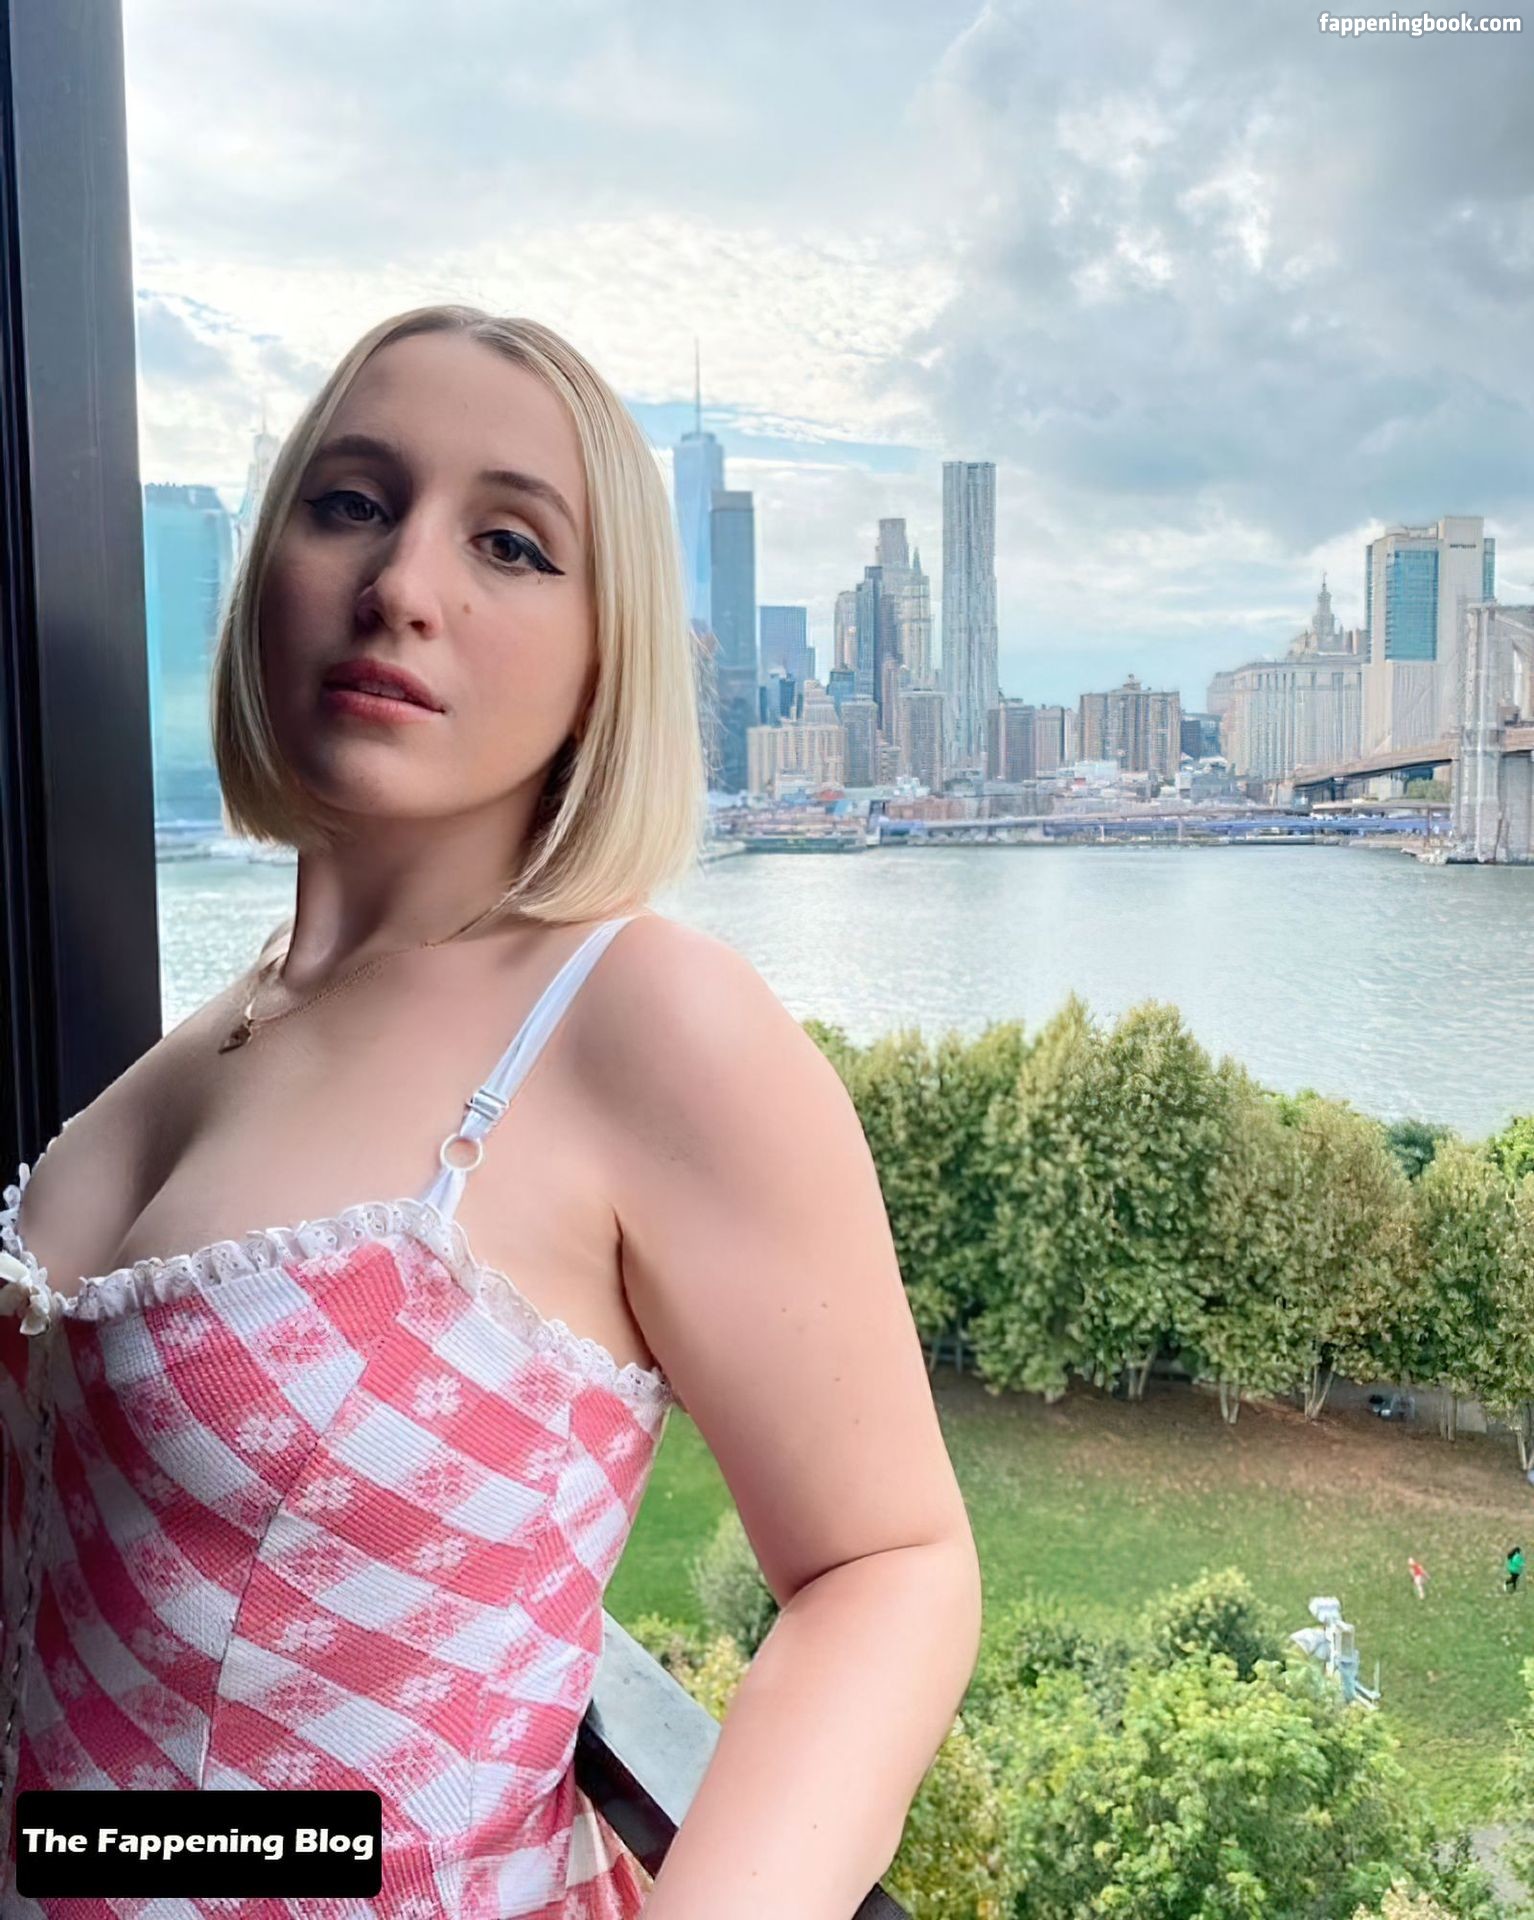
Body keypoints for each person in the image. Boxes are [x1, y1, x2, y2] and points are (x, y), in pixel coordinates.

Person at [0, 307, 983, 1918]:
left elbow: (887, 1567)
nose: (403, 584)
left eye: (511, 544)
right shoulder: (219, 1031)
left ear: (606, 662)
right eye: (350, 503)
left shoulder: (641, 1022)